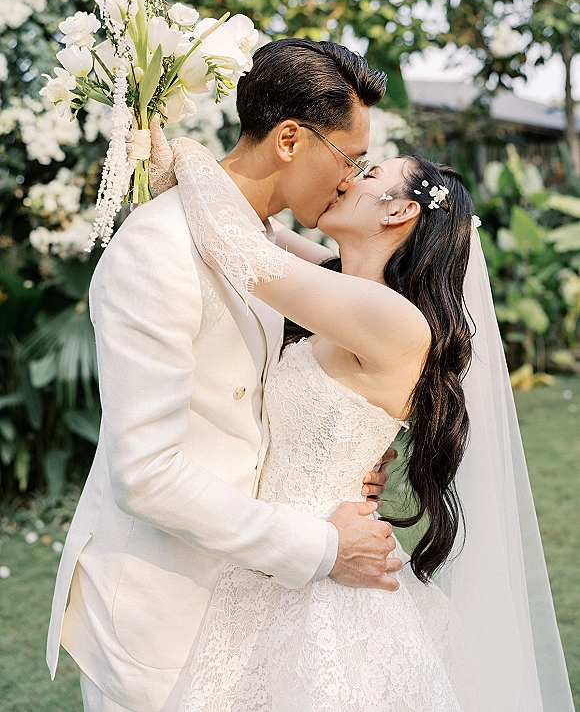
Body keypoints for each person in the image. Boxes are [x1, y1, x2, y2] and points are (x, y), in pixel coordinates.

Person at [147, 128, 575, 710]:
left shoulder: (392, 319)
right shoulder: (343, 284)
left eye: (369, 176)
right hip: (280, 555)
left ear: (399, 211)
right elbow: (257, 230)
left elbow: (238, 248)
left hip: (327, 574)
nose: (348, 177)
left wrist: (191, 155)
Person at [47, 40, 404, 712]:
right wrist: (322, 546)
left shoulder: (261, 243)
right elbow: (145, 474)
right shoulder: (159, 250)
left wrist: (336, 455)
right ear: (291, 139)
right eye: (348, 159)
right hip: (161, 604)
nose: (349, 181)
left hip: (249, 594)